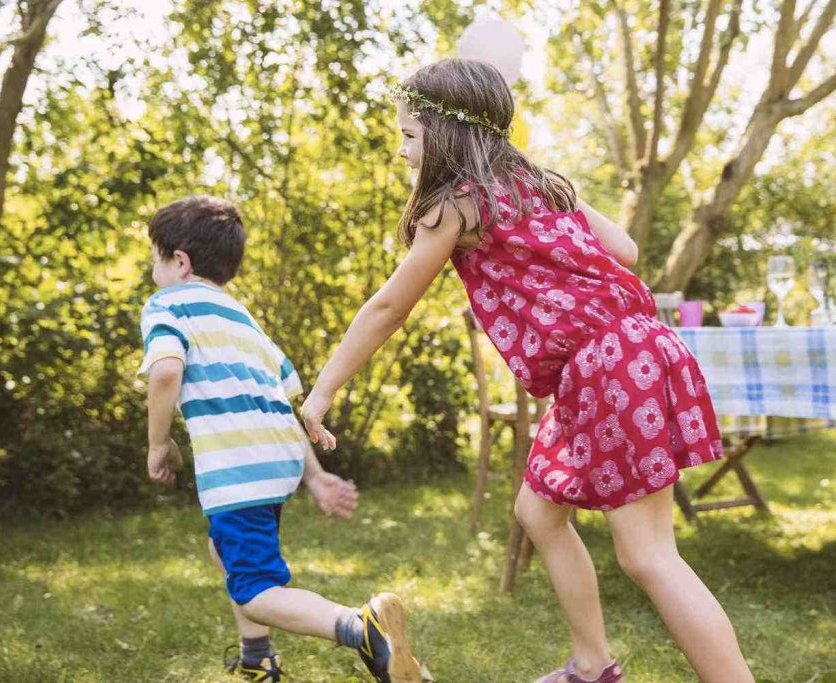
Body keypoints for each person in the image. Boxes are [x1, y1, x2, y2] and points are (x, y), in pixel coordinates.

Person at [300, 59, 753, 683]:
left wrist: (323, 389)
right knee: (538, 512)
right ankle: (592, 664)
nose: (401, 150)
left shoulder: (455, 205)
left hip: (608, 367)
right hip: (632, 352)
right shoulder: (544, 184)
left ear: (447, 134)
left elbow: (388, 307)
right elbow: (625, 250)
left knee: (650, 556)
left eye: (409, 134)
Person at [139, 194, 423, 683]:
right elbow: (280, 400)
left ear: (180, 262)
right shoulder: (243, 319)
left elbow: (165, 372)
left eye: (154, 258)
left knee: (254, 588)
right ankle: (257, 659)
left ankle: (362, 628)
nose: (152, 271)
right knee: (222, 550)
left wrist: (158, 444)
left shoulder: (168, 304)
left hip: (238, 471)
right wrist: (313, 476)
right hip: (276, 462)